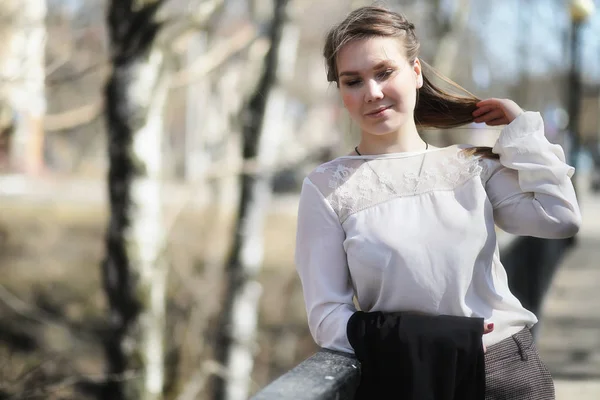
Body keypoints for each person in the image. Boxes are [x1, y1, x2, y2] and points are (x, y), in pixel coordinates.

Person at [294, 5, 581, 400]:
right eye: (353, 81)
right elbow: (327, 318)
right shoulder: (328, 186)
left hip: (504, 374)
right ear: (341, 92)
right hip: (407, 379)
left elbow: (560, 217)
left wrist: (523, 132)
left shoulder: (470, 166)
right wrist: (429, 341)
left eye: (384, 72)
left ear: (414, 73)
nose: (372, 92)